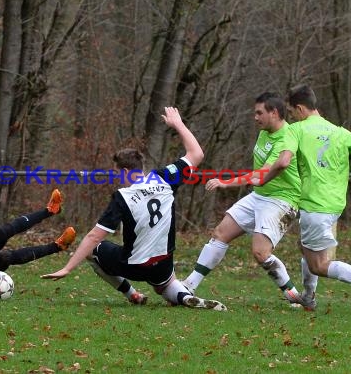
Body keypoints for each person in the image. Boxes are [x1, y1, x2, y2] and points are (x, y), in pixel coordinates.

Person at [41, 107, 226, 311]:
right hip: (163, 260)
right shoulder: (164, 178)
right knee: (164, 285)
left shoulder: (123, 197)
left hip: (134, 265)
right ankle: (182, 296)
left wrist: (67, 268)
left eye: (118, 173)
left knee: (92, 251)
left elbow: (94, 236)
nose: (118, 178)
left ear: (126, 172)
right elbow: (196, 153)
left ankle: (133, 295)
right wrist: (178, 124)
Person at [255, 84, 351, 314]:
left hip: (315, 205)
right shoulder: (340, 132)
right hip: (335, 205)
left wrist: (262, 180)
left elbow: (284, 161)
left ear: (299, 108)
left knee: (319, 265)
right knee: (305, 248)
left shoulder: (296, 130)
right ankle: (308, 297)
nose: (292, 116)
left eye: (293, 111)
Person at [182, 92, 303, 305]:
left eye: (259, 113)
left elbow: (262, 173)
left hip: (282, 200)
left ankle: (293, 295)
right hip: (260, 195)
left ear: (274, 113)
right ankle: (189, 285)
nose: (255, 117)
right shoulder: (265, 132)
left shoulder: (287, 137)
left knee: (260, 252)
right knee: (220, 233)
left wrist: (226, 182)